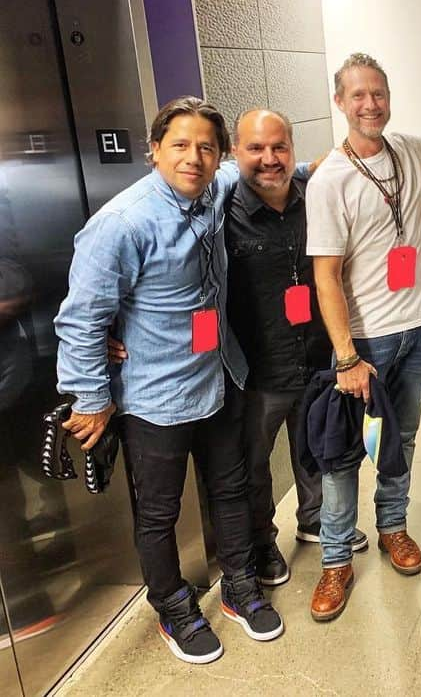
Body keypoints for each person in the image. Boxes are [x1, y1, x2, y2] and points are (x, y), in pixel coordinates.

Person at [54, 97, 283, 664]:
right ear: (153, 150)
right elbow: (81, 318)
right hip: (153, 396)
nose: (194, 157)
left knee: (230, 490)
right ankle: (173, 606)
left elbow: (263, 166)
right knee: (158, 513)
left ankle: (238, 583)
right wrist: (91, 399)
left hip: (216, 377)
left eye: (206, 146)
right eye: (180, 145)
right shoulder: (121, 224)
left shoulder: (214, 190)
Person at [305, 53, 421, 621]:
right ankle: (336, 560)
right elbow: (325, 277)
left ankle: (393, 528)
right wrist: (346, 358)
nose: (370, 104)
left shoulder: (408, 149)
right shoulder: (330, 178)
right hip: (367, 345)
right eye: (358, 95)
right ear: (340, 102)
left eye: (378, 93)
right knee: (342, 456)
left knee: (401, 441)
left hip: (419, 328)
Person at [224, 108, 355, 586]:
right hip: (258, 369)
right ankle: (262, 542)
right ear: (234, 152)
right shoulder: (222, 213)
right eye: (255, 148)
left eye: (279, 147)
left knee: (313, 446)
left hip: (316, 355)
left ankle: (315, 520)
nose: (269, 158)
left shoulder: (312, 196)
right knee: (255, 465)